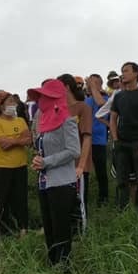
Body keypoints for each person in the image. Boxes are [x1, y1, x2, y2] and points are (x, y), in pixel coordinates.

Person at [29, 79, 81, 266]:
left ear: (54, 97)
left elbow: (74, 150)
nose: (40, 101)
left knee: (61, 230)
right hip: (45, 182)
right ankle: (53, 264)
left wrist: (46, 162)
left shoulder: (67, 120)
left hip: (61, 182)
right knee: (49, 228)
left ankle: (64, 268)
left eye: (44, 96)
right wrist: (38, 160)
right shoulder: (42, 121)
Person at [109, 62, 138, 214]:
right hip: (121, 143)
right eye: (122, 71)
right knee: (121, 181)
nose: (123, 74)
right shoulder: (119, 96)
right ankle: (122, 212)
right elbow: (113, 119)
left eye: (126, 71)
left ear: (136, 74)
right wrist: (115, 140)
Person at [0, 93, 31, 236]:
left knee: (20, 198)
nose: (13, 104)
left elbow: (29, 139)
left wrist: (12, 140)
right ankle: (0, 230)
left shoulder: (20, 120)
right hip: (2, 167)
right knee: (0, 199)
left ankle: (22, 228)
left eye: (14, 102)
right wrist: (19, 139)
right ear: (1, 106)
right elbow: (3, 144)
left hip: (20, 165)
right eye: (9, 102)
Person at [57, 74, 92, 235]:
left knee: (78, 202)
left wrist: (82, 165)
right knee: (63, 201)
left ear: (66, 87)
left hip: (77, 164)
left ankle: (81, 235)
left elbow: (86, 137)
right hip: (60, 163)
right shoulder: (56, 109)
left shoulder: (82, 108)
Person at [84, 74, 110, 207]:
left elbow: (101, 104)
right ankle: (83, 197)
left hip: (98, 140)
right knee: (84, 170)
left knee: (101, 171)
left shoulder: (105, 98)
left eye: (93, 83)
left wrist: (94, 87)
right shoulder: (86, 99)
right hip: (85, 140)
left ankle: (103, 198)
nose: (89, 85)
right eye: (88, 83)